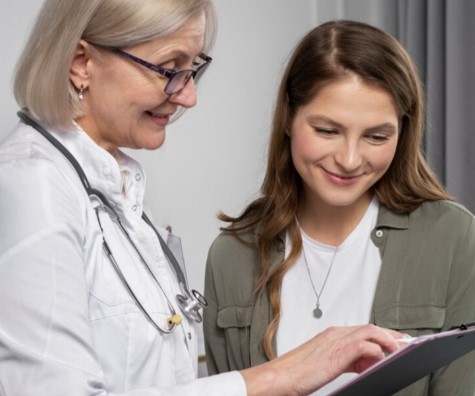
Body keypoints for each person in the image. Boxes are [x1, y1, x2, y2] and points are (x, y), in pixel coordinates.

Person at [0, 3, 404, 395]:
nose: (188, 96)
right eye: (170, 70)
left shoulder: (112, 187)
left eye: (192, 70)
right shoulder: (34, 186)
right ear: (80, 62)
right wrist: (278, 377)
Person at [203, 19, 475, 395]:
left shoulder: (452, 237)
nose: (349, 159)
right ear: (288, 119)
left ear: (403, 131)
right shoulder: (231, 255)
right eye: (327, 131)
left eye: (376, 136)